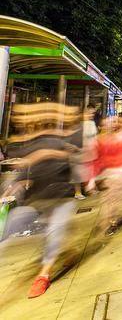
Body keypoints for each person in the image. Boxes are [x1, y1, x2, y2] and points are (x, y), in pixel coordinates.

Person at [1, 103, 80, 298]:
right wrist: (16, 185)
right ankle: (70, 252)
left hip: (60, 196)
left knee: (54, 232)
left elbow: (68, 156)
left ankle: (43, 275)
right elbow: (24, 170)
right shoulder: (28, 144)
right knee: (14, 225)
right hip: (38, 198)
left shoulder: (59, 141)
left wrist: (40, 157)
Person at [69, 105, 98, 199]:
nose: (91, 115)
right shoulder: (78, 125)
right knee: (77, 173)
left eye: (92, 113)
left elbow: (94, 137)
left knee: (88, 172)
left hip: (88, 153)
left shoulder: (92, 124)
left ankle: (88, 189)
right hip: (78, 153)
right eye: (89, 113)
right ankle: (78, 193)